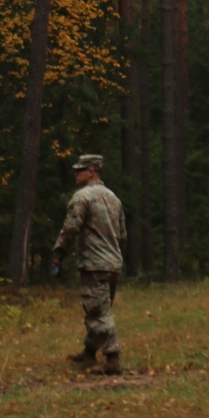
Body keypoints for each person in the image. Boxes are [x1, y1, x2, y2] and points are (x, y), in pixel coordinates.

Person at [51, 153, 126, 376]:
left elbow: (70, 228)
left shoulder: (82, 197)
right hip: (113, 263)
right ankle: (89, 351)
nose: (76, 174)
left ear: (91, 171)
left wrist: (59, 252)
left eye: (79, 170)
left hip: (94, 264)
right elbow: (123, 235)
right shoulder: (114, 198)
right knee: (100, 307)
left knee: (98, 311)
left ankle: (112, 358)